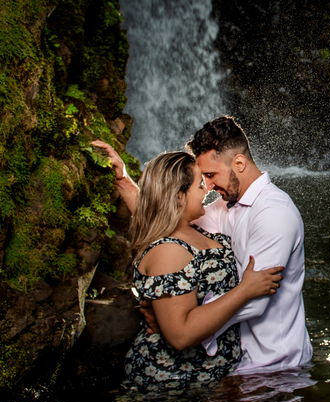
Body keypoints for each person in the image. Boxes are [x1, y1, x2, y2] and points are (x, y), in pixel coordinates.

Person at [92, 115, 314, 374]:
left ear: (239, 163)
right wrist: (123, 181)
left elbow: (257, 300)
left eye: (210, 175)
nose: (207, 186)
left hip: (274, 364)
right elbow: (167, 218)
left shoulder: (273, 214)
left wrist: (173, 322)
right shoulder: (222, 204)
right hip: (233, 361)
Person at [120, 150, 284, 402]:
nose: (207, 188)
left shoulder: (190, 230)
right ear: (178, 197)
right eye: (199, 185)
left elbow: (150, 214)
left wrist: (122, 180)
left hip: (213, 378)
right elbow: (180, 336)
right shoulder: (167, 250)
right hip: (176, 381)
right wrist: (245, 290)